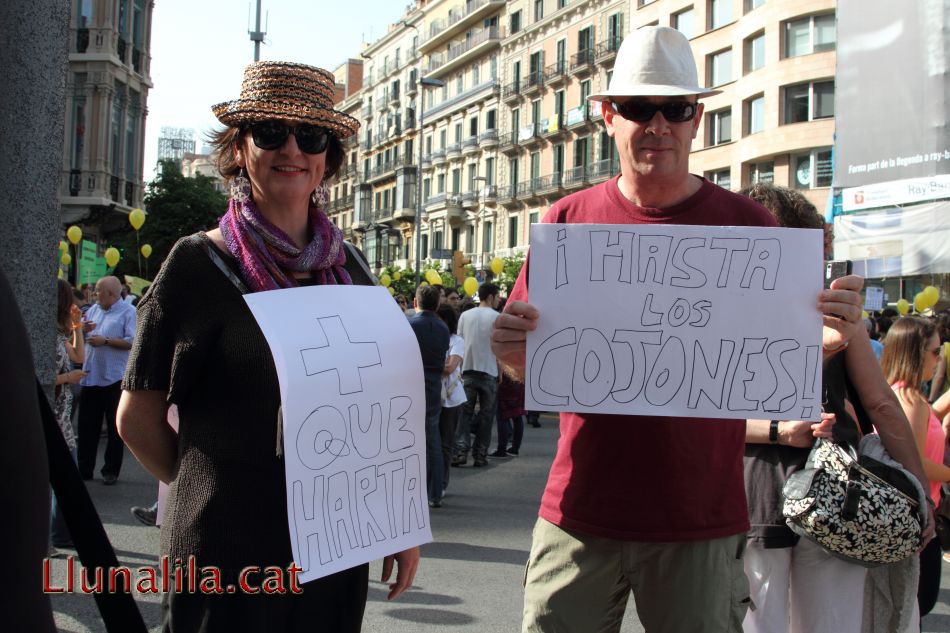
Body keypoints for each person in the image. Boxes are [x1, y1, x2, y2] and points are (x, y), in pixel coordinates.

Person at [491, 27, 866, 632]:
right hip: (579, 513)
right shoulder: (566, 222)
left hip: (701, 520)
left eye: (676, 108)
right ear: (609, 117)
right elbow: (531, 361)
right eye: (640, 108)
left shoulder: (749, 225)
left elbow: (773, 358)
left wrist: (824, 337)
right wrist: (510, 351)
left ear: (697, 119)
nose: (658, 124)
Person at [116, 61, 418, 632]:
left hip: (334, 545)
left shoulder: (349, 265)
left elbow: (371, 412)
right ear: (239, 148)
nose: (292, 150)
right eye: (270, 132)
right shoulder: (195, 264)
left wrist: (394, 526)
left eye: (311, 136)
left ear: (329, 156)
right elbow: (137, 418)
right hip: (226, 552)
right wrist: (209, 486)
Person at [738, 183, 929, 633]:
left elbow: (700, 412)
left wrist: (776, 431)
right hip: (839, 493)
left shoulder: (730, 307)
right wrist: (918, 493)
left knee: (755, 623)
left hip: (752, 490)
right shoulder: (838, 312)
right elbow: (881, 404)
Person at [882, 317, 950, 620]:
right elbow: (915, 459)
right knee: (914, 607)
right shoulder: (908, 398)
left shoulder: (905, 395)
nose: (939, 360)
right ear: (915, 352)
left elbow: (927, 423)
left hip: (916, 516)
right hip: (915, 519)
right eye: (936, 352)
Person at [77, 275, 135, 485]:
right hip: (91, 374)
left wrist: (106, 341)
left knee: (114, 428)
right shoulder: (93, 309)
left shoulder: (129, 312)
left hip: (114, 377)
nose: (94, 294)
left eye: (98, 291)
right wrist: (83, 331)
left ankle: (110, 470)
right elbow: (83, 335)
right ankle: (84, 468)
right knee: (86, 426)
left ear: (111, 294)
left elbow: (132, 342)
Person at [51, 279, 87, 549]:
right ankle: (58, 535)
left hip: (62, 414)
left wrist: (78, 329)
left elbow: (79, 356)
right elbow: (43, 377)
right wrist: (68, 377)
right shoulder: (49, 337)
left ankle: (60, 535)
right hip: (55, 415)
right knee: (66, 478)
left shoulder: (60, 334)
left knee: (65, 479)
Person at [409, 285, 450, 508]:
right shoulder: (443, 328)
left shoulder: (410, 326)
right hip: (433, 389)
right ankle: (436, 491)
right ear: (437, 304)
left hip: (410, 388)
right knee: (433, 440)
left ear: (416, 303)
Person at [452, 283, 502, 468]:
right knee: (486, 416)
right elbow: (500, 346)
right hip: (489, 370)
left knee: (464, 415)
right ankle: (480, 455)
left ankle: (460, 452)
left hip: (467, 370)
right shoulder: (497, 317)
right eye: (497, 297)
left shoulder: (465, 315)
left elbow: (459, 340)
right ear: (490, 296)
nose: (498, 300)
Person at [436, 302, 466, 495]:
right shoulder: (433, 337)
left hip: (451, 398)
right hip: (433, 396)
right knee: (432, 443)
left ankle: (442, 484)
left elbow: (449, 368)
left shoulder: (456, 341)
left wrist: (429, 365)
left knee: (446, 444)